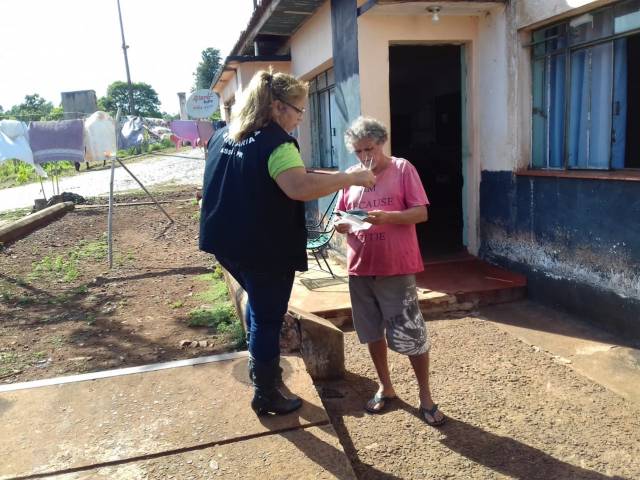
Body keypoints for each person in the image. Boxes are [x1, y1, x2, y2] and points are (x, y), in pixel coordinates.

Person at [199, 69, 375, 416]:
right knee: (268, 316)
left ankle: (261, 369)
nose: (299, 118)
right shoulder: (276, 142)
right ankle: (266, 392)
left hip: (225, 241)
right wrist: (349, 178)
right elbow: (298, 187)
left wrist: (323, 175)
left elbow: (265, 177)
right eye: (299, 110)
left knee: (256, 301)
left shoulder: (225, 137)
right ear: (278, 107)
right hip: (262, 248)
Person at [335, 116, 446, 427]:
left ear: (381, 142)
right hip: (360, 268)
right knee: (371, 332)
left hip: (395, 267)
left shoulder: (402, 169)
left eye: (368, 149)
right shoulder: (352, 176)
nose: (364, 157)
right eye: (357, 151)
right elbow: (340, 215)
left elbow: (421, 213)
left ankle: (425, 396)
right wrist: (341, 224)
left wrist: (386, 217)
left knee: (411, 333)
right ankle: (386, 386)